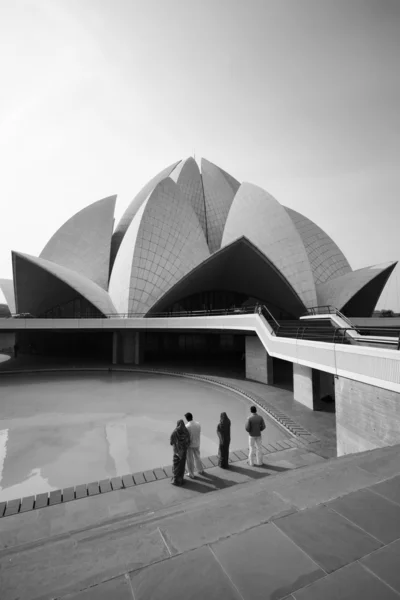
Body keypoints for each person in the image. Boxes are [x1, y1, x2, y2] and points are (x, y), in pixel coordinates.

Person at [170, 419, 190, 486]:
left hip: (176, 452)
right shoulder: (186, 431)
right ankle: (180, 480)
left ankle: (175, 480)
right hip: (183, 452)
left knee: (176, 466)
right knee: (181, 466)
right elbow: (188, 442)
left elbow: (171, 442)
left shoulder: (175, 432)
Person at [185, 412, 204, 478]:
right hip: (197, 443)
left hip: (190, 445)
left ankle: (191, 473)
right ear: (192, 417)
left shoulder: (187, 426)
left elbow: (186, 436)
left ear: (186, 419)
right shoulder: (198, 424)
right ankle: (200, 470)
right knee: (197, 457)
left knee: (190, 459)